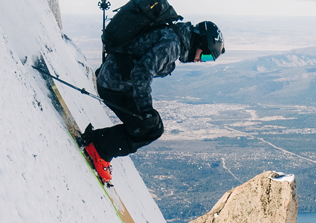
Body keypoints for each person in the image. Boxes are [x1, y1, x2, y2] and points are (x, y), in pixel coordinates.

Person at [81, 18, 225, 182]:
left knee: (151, 125)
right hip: (113, 84)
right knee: (150, 128)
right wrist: (145, 109)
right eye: (205, 55)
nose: (201, 61)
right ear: (199, 43)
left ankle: (97, 142)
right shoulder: (172, 45)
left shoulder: (173, 36)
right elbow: (142, 72)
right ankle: (99, 150)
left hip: (114, 77)